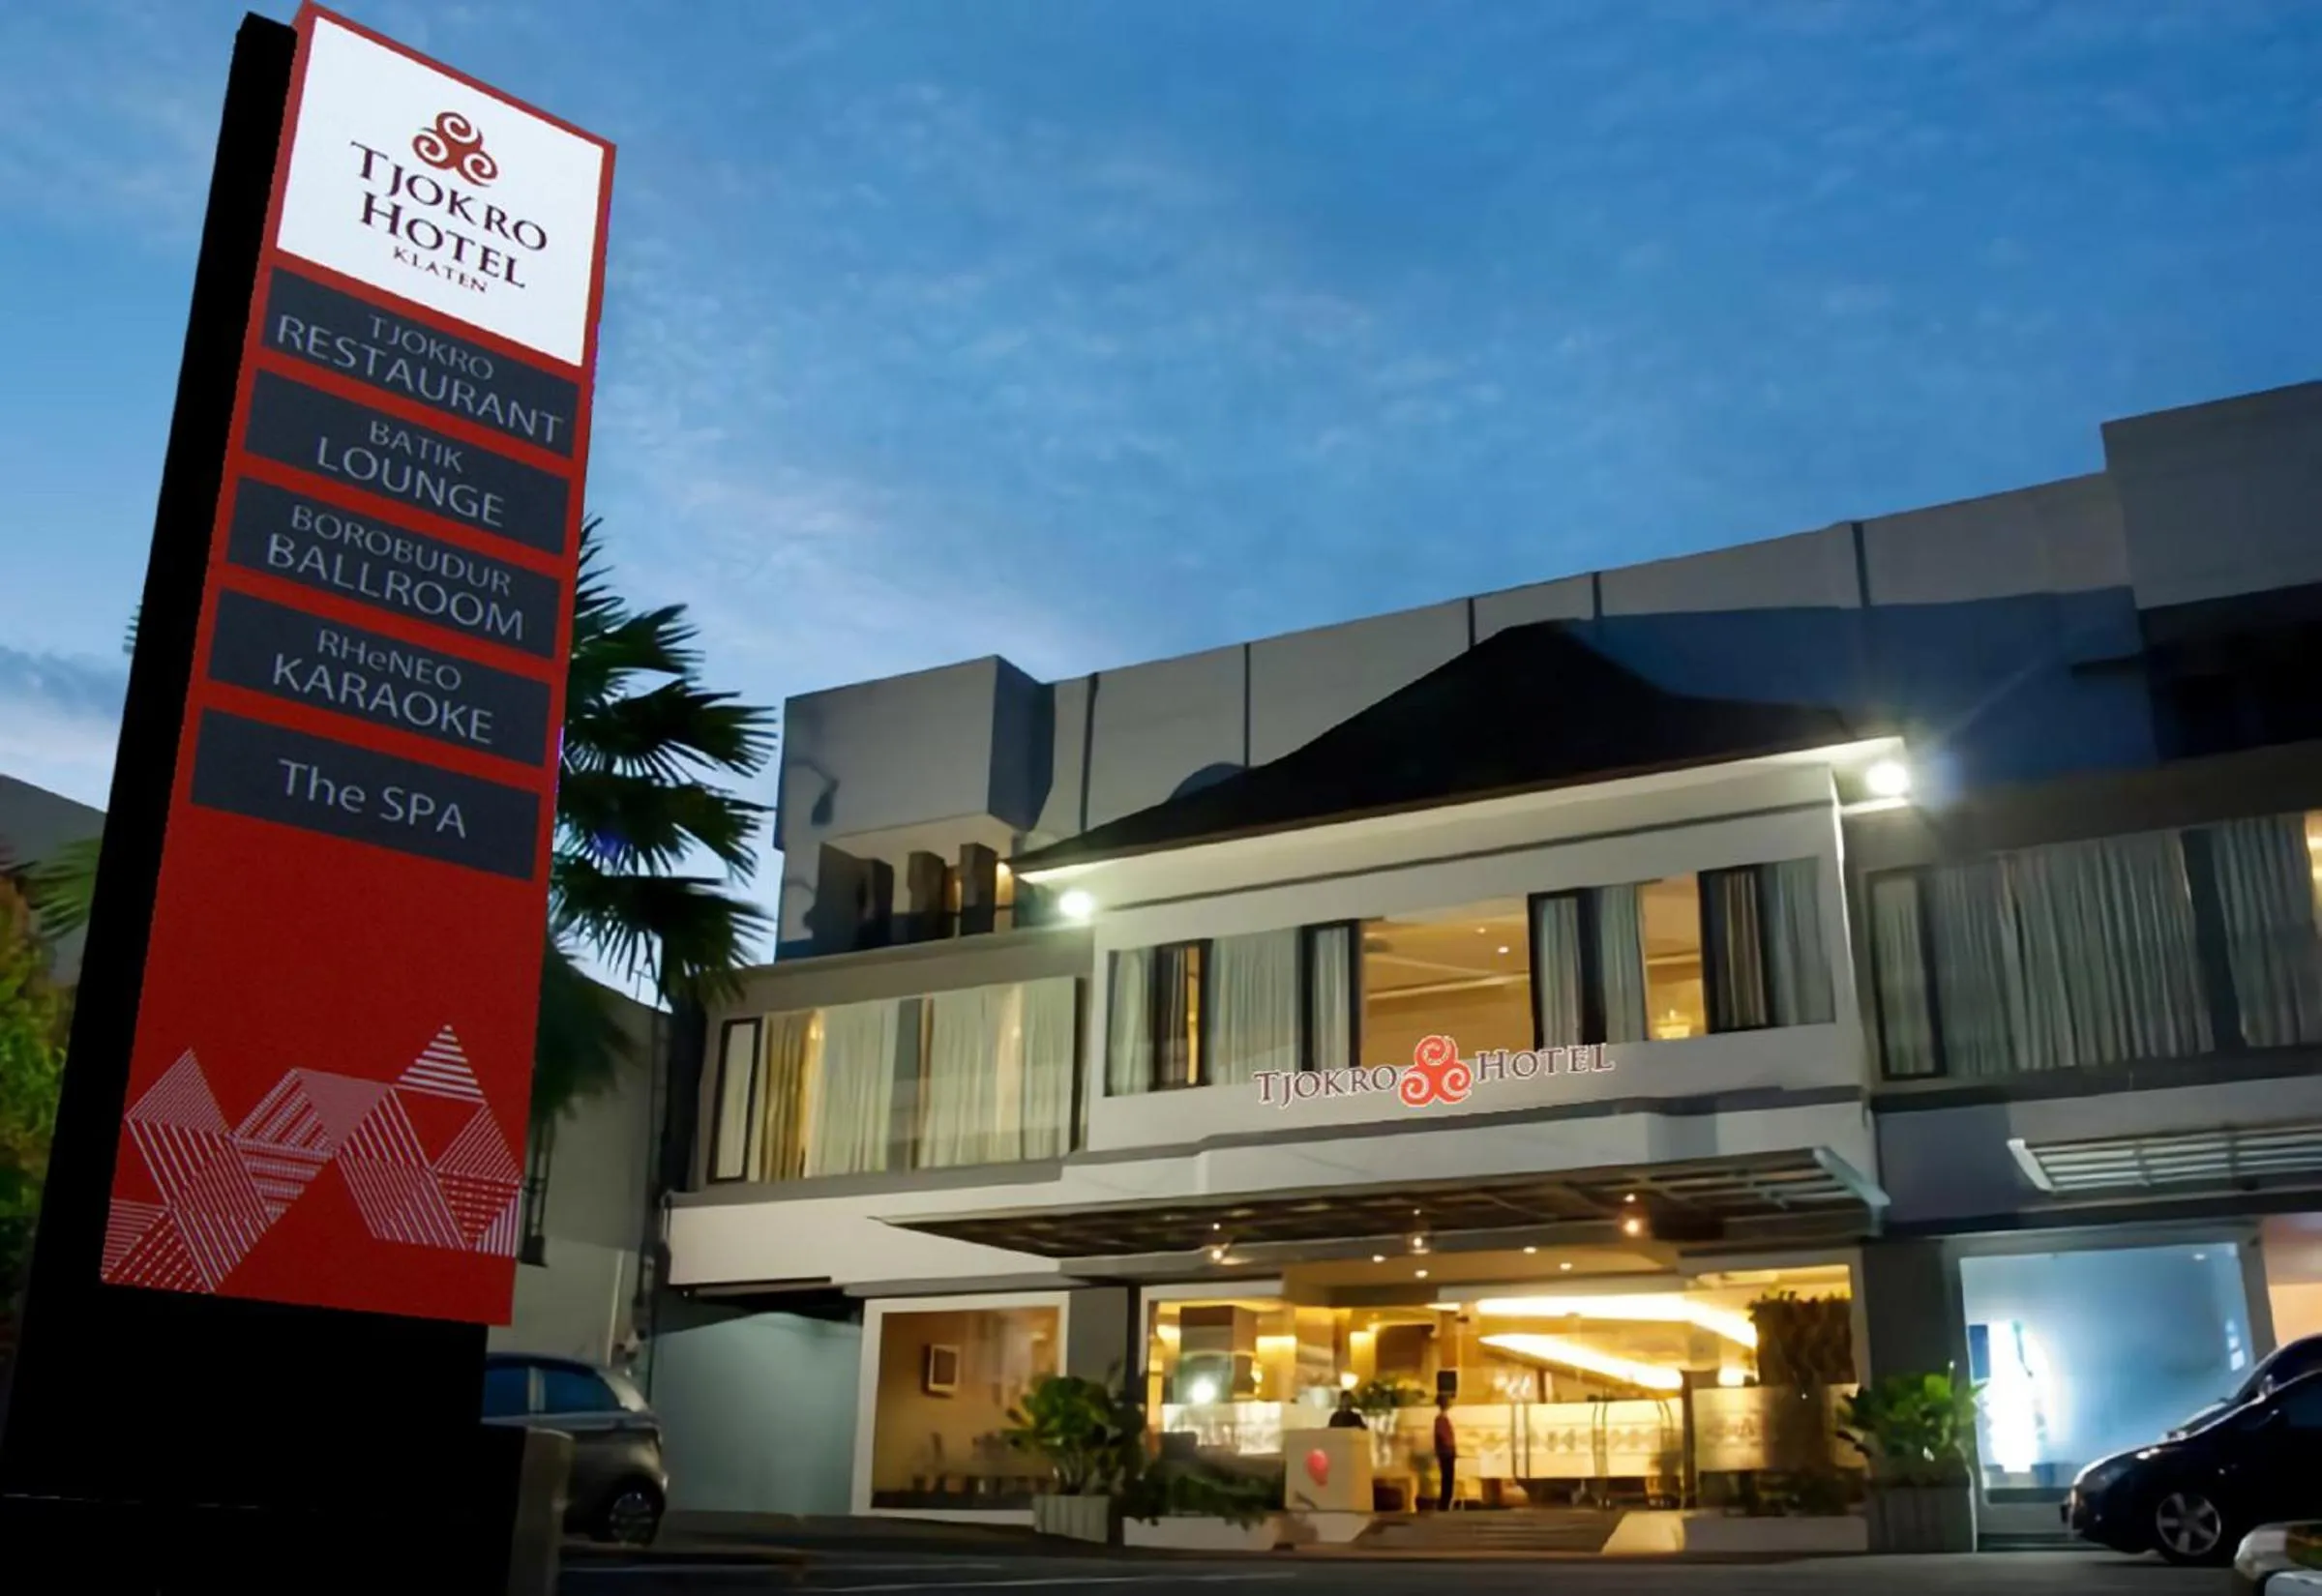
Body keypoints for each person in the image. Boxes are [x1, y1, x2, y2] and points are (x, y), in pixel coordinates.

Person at [1433, 1394, 1457, 1511]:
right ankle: (1445, 1503)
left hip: (1446, 1452)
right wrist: (1451, 1448)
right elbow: (1445, 1437)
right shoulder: (1441, 1419)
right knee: (1447, 1478)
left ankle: (1445, 1502)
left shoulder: (1442, 1419)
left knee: (1447, 1478)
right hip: (1446, 1453)